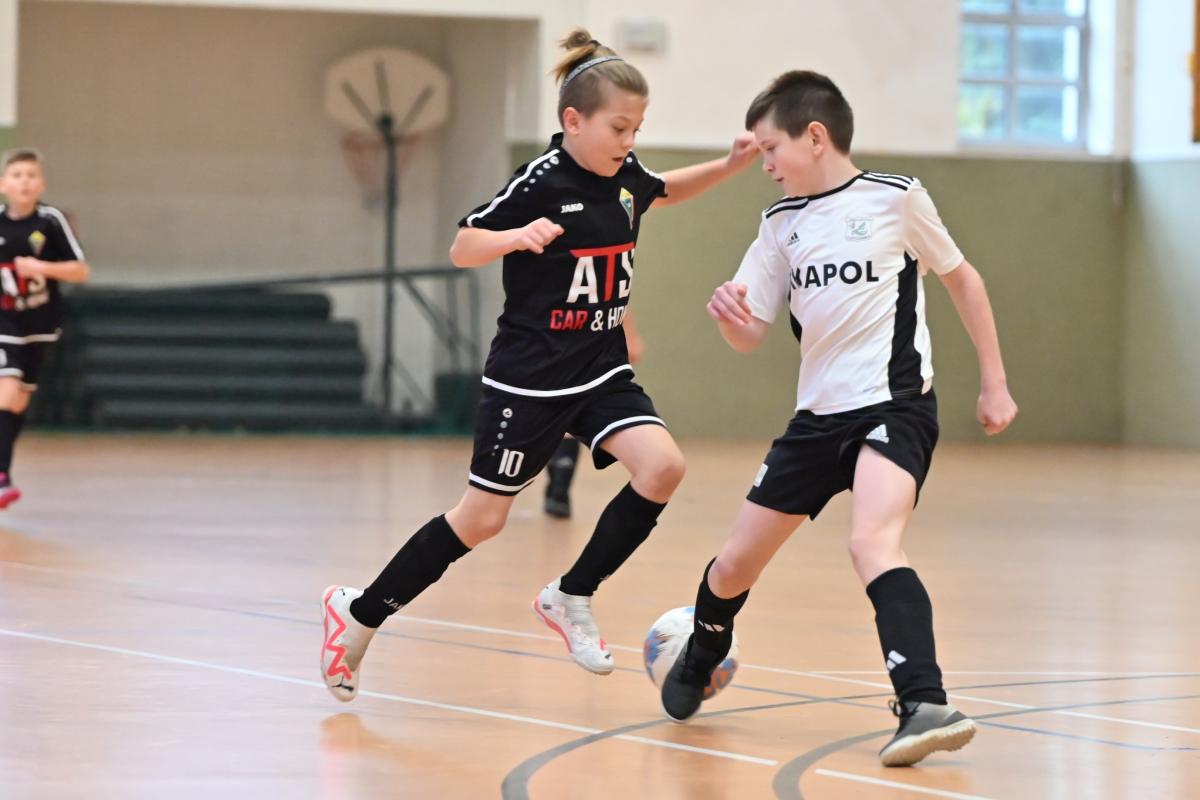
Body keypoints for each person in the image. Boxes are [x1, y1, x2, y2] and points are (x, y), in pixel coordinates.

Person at [320, 29, 758, 701]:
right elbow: (463, 245)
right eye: (618, 127)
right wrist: (515, 237)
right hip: (529, 380)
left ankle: (570, 595)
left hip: (601, 370)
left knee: (663, 467)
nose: (629, 140)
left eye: (637, 128)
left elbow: (663, 190)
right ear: (573, 121)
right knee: (481, 520)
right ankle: (359, 615)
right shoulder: (541, 181)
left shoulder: (625, 179)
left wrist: (727, 167)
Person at [657, 71, 1018, 768]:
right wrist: (730, 319)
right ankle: (704, 647)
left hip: (895, 408)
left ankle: (924, 704)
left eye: (771, 149)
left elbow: (963, 280)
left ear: (815, 137)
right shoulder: (779, 225)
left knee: (873, 542)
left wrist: (994, 384)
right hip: (817, 421)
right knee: (732, 566)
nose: (764, 164)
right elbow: (750, 333)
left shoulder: (896, 198)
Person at [0, 148, 91, 508]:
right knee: (6, 391)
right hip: (3, 322)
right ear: (3, 184)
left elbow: (80, 270)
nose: (24, 182)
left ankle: (3, 470)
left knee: (19, 400)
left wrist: (42, 268)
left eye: (31, 175)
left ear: (41, 184)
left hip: (39, 323)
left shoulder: (50, 221)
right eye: (17, 175)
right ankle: (1, 476)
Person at [543, 310, 644, 519]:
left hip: (593, 367)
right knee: (555, 420)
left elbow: (633, 345)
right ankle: (557, 478)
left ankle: (560, 488)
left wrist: (628, 338)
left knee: (570, 418)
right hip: (551, 361)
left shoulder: (609, 304)